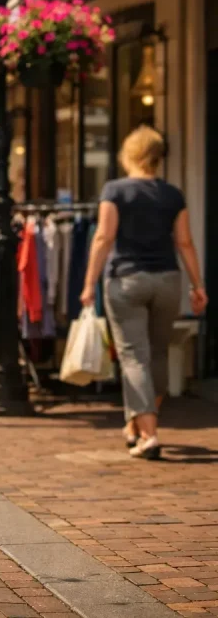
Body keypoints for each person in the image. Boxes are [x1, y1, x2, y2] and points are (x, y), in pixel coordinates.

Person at [80, 125, 207, 460]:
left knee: (134, 356)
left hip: (126, 281)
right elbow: (185, 242)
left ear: (129, 154)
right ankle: (135, 425)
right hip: (167, 280)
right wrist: (198, 285)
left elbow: (104, 238)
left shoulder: (115, 190)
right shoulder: (172, 194)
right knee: (158, 353)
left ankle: (149, 435)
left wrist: (89, 283)